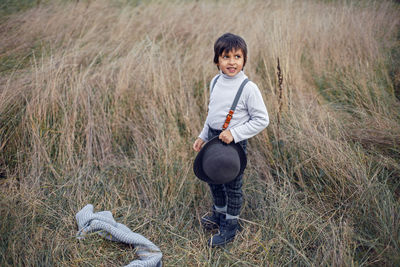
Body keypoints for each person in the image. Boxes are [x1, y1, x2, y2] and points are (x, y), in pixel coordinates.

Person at [193, 33, 269, 247]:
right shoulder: (215, 81)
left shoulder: (248, 88)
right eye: (226, 57)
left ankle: (230, 226)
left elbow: (262, 119)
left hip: (233, 143)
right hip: (213, 138)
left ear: (244, 60)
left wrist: (234, 134)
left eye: (237, 56)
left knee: (232, 186)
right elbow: (212, 113)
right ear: (217, 60)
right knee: (213, 180)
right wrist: (202, 135)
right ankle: (219, 215)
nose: (232, 62)